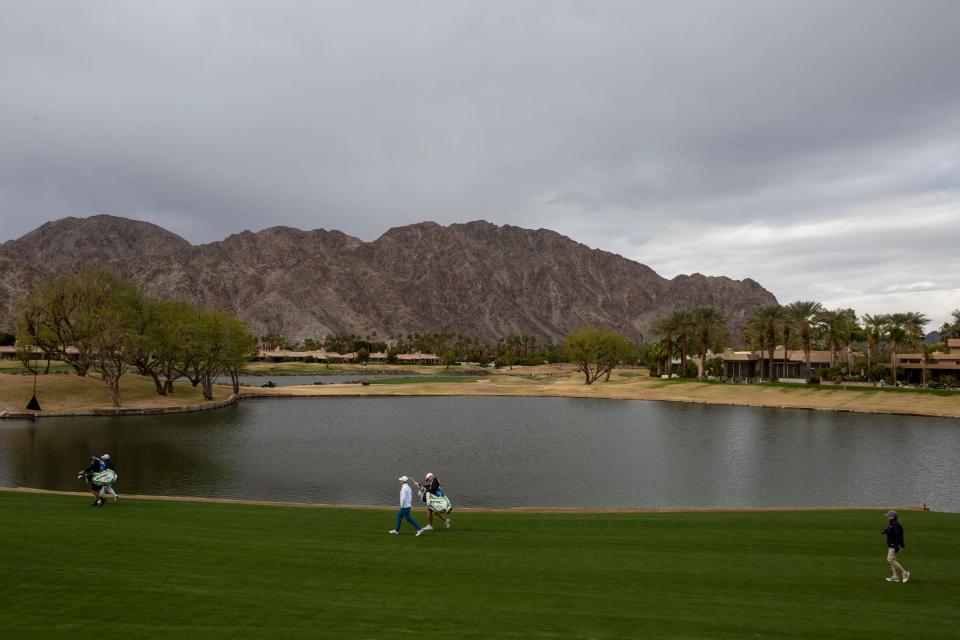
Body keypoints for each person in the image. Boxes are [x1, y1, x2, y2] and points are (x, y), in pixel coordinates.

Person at [881, 510, 910, 583]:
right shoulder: (892, 523)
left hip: (895, 545)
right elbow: (891, 531)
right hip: (892, 544)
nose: (887, 516)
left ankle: (904, 572)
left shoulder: (895, 524)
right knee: (892, 560)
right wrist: (886, 531)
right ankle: (895, 576)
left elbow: (898, 536)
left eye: (888, 515)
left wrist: (896, 547)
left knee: (890, 560)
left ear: (893, 516)